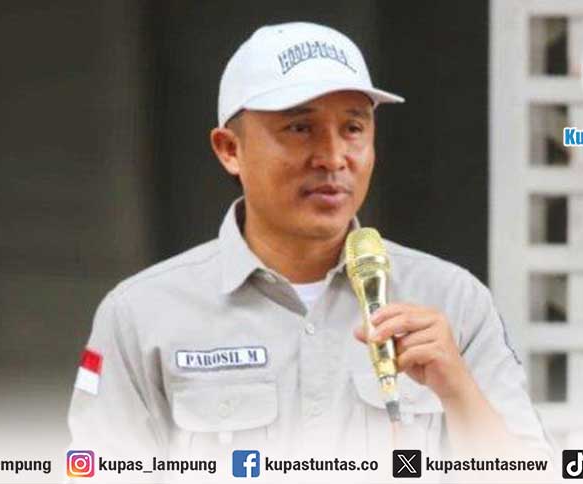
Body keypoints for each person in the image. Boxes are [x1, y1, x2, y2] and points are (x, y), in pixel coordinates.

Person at [68, 20, 552, 478]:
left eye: (353, 128)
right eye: (300, 128)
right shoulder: (141, 314)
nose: (333, 157)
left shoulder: (452, 300)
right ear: (229, 149)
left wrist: (458, 390)